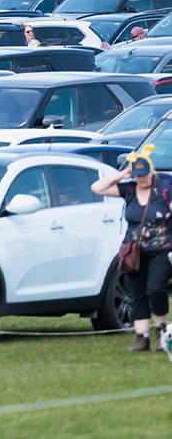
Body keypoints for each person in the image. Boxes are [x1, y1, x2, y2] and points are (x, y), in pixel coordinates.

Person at [94, 150, 172, 353]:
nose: (141, 179)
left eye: (144, 174)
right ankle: (142, 338)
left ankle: (162, 334)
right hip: (134, 251)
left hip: (161, 249)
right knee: (136, 293)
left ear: (151, 172)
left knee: (155, 290)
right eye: (137, 175)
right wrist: (122, 175)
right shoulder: (129, 189)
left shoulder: (164, 189)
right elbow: (98, 188)